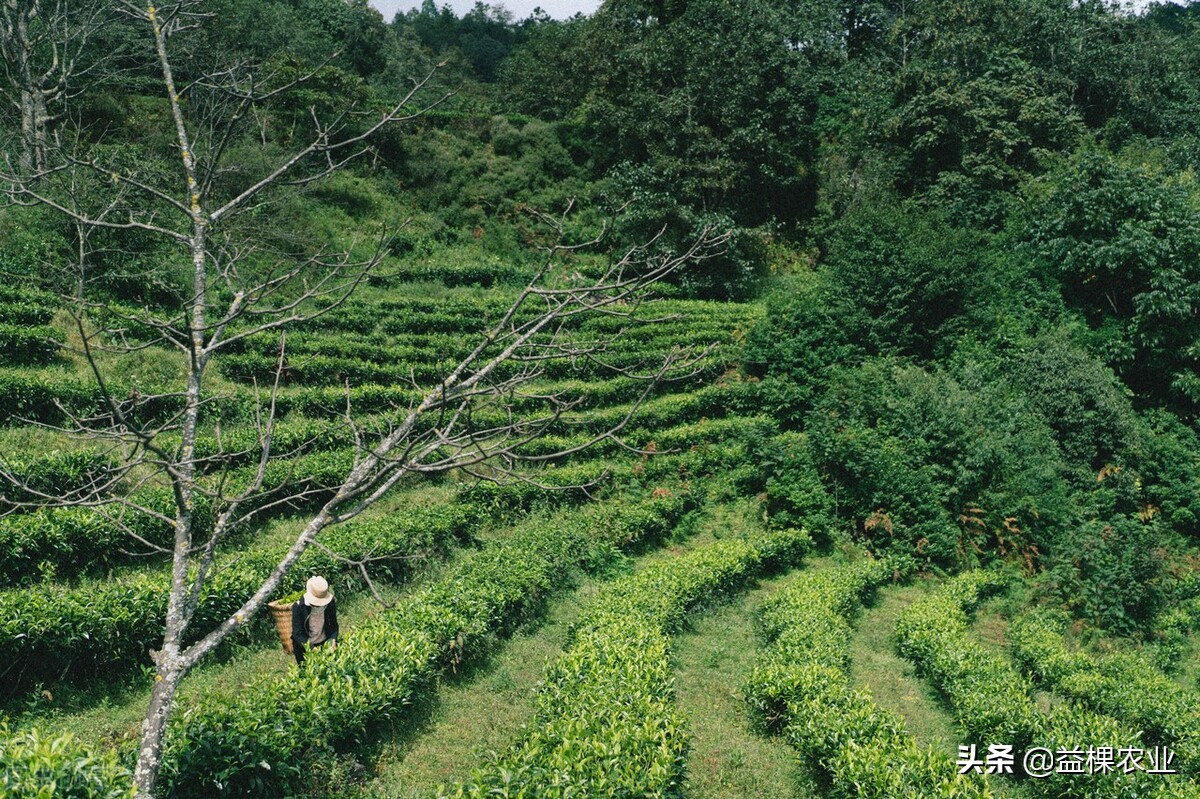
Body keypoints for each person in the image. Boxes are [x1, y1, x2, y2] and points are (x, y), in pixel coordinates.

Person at [291, 575, 338, 666]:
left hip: (324, 643)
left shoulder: (330, 603)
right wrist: (311, 648)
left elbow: (334, 626)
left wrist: (333, 640)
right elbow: (297, 634)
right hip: (305, 647)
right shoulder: (298, 607)